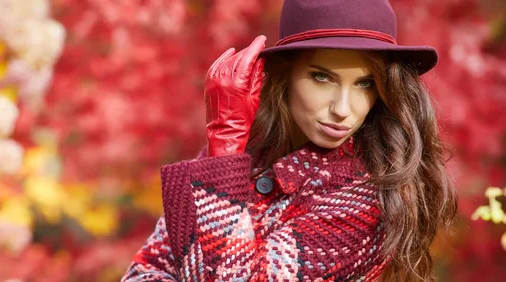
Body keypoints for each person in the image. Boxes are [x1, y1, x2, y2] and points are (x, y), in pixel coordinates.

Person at [122, 0, 458, 281]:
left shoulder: (370, 196)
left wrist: (225, 143)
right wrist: (226, 149)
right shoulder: (240, 157)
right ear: (285, 75)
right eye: (322, 77)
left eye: (365, 83)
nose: (343, 109)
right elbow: (144, 270)